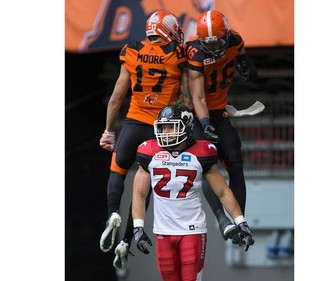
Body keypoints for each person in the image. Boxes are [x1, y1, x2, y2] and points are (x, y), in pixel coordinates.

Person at [98, 10, 189, 270]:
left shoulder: (132, 50)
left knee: (117, 172)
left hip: (133, 123)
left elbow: (116, 97)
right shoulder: (176, 54)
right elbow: (185, 94)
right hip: (162, 130)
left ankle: (113, 213)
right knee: (143, 187)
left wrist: (109, 131)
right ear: (167, 30)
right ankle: (127, 238)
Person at [131, 103, 254, 281]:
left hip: (193, 231)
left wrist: (241, 222)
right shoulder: (149, 152)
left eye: (171, 127)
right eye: (163, 127)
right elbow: (139, 194)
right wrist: (138, 228)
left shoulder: (202, 152)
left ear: (186, 127)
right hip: (163, 232)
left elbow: (222, 192)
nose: (165, 133)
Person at [185, 10, 258, 236]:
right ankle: (222, 219)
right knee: (207, 165)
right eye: (210, 44)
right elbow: (197, 97)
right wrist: (205, 123)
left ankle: (240, 221)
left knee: (235, 163)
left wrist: (248, 67)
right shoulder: (195, 52)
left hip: (219, 111)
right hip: (198, 114)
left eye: (218, 43)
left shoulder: (234, 40)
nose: (215, 48)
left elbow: (243, 59)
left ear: (225, 35)